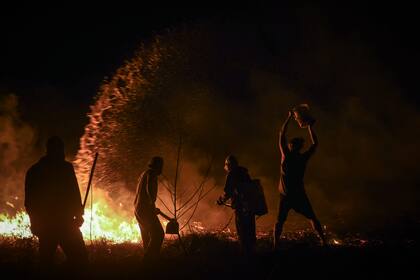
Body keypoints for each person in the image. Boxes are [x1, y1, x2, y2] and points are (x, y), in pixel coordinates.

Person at [24, 136, 88, 268]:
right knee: (79, 260)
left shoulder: (34, 170)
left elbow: (29, 203)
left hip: (50, 225)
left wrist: (35, 223)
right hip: (63, 224)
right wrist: (78, 214)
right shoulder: (64, 169)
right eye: (59, 149)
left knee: (47, 262)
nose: (62, 152)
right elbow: (74, 194)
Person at [274, 111, 327, 249]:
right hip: (297, 194)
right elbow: (315, 144)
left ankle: (275, 245)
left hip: (287, 196)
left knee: (280, 221)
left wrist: (289, 117)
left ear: (291, 146)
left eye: (291, 144)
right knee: (312, 218)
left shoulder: (286, 156)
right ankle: (324, 242)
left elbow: (281, 134)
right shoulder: (302, 158)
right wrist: (309, 127)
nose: (290, 145)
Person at [217, 155, 256, 254]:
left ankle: (245, 255)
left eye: (226, 165)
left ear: (228, 165)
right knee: (250, 231)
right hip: (250, 207)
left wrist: (221, 200)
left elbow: (227, 192)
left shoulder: (231, 174)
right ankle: (253, 253)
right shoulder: (244, 173)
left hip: (240, 208)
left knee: (242, 232)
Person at [134, 156, 165, 260]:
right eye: (161, 166)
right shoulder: (152, 174)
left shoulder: (144, 174)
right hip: (145, 210)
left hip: (138, 210)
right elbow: (149, 191)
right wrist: (152, 207)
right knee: (158, 234)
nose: (162, 169)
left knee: (147, 238)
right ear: (158, 166)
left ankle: (148, 269)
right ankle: (149, 261)